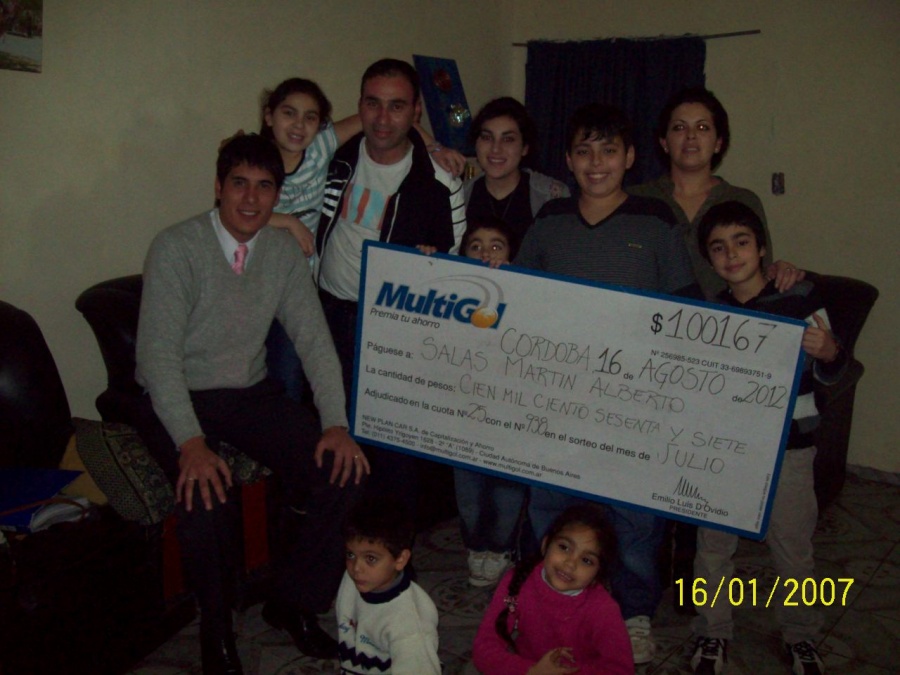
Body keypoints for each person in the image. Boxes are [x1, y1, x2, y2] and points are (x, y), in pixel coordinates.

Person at [134, 134, 370, 674]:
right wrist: (190, 443)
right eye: (239, 183)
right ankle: (216, 631)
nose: (250, 198)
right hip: (178, 394)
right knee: (204, 494)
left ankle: (292, 601)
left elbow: (314, 341)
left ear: (276, 196)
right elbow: (157, 357)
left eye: (264, 187)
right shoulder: (175, 246)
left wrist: (335, 424)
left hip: (246, 392)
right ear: (218, 187)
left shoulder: (281, 252)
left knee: (345, 472)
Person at [514, 103, 702, 665]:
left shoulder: (656, 220)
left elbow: (688, 309)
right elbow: (516, 301)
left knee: (635, 518)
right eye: (584, 151)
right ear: (569, 159)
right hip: (558, 401)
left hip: (635, 406)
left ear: (630, 157)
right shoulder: (549, 220)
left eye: (609, 151)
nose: (596, 163)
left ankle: (634, 613)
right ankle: (550, 605)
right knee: (552, 506)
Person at [689, 201, 844, 675]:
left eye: (741, 242)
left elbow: (834, 366)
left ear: (761, 249)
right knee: (712, 545)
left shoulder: (800, 298)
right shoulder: (711, 313)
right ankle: (712, 630)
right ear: (709, 258)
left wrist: (828, 350)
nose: (731, 255)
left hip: (789, 449)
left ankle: (801, 635)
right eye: (718, 248)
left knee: (793, 548)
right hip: (724, 450)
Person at [316, 58, 467, 511]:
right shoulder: (335, 157)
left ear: (416, 110)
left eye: (397, 106)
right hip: (326, 314)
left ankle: (393, 541)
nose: (383, 118)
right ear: (359, 106)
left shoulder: (440, 180)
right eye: (373, 104)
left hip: (393, 328)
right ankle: (343, 538)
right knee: (334, 439)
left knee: (390, 448)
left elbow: (455, 264)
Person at [257, 77, 464, 404]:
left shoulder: (324, 150)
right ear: (269, 116)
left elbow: (449, 262)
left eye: (310, 117)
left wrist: (433, 145)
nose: (382, 116)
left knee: (358, 404)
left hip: (365, 314)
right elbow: (231, 212)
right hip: (291, 297)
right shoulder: (319, 156)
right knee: (289, 393)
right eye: (288, 113)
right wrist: (288, 222)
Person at [629, 86, 802, 300]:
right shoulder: (636, 199)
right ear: (664, 142)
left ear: (718, 142)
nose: (691, 136)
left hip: (727, 318)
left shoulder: (742, 200)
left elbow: (761, 275)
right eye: (679, 127)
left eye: (702, 127)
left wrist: (780, 272)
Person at [472, 504, 633, 675]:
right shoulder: (517, 581)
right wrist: (530, 671)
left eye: (586, 560)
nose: (570, 564)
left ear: (597, 574)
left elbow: (621, 670)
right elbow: (484, 647)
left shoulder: (603, 609)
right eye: (564, 547)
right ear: (545, 544)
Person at [336, 496, 440, 674]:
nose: (356, 568)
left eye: (371, 558)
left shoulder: (409, 625)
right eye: (350, 555)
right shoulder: (354, 579)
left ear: (400, 559)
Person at [464, 96, 569, 242]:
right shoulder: (460, 197)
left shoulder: (552, 195)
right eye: (487, 137)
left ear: (524, 147)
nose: (495, 149)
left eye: (508, 139)